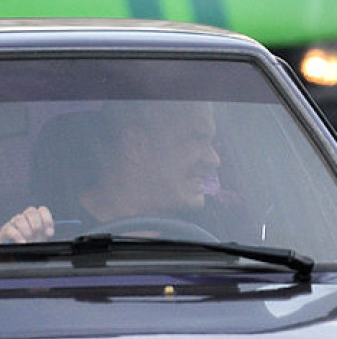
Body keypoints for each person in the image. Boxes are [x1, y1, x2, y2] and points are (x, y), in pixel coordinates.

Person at [0, 100, 223, 244]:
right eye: (196, 139)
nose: (214, 159)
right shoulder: (43, 232)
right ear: (137, 144)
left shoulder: (224, 227)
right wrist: (14, 257)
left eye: (212, 142)